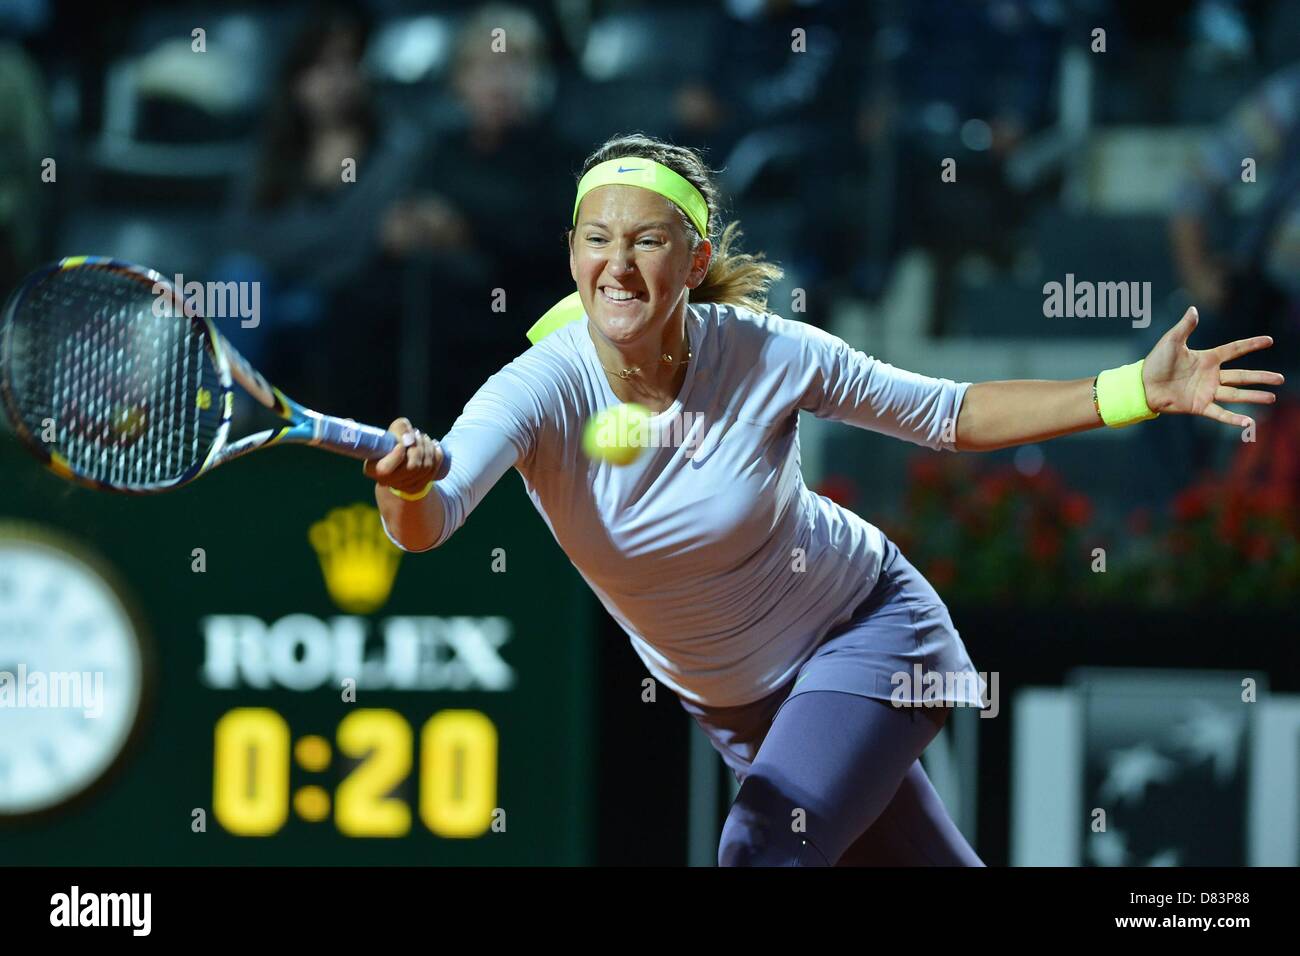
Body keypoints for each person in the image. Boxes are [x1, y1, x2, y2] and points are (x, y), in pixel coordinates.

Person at [365, 133, 1283, 866]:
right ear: (572, 255)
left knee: (759, 848)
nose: (618, 264)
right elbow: (430, 520)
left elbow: (949, 412)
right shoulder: (537, 389)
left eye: (647, 239)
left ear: (694, 260)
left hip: (868, 633)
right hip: (739, 710)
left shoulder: (767, 352)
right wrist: (405, 488)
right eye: (597, 239)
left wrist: (1133, 389)